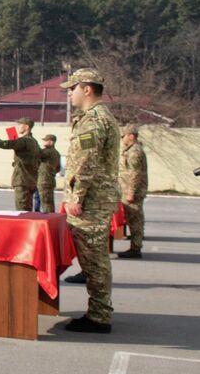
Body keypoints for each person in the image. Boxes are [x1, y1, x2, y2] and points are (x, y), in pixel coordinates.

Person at [59, 68, 120, 331]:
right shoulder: (97, 118)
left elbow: (86, 162)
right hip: (96, 198)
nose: (69, 94)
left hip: (91, 201)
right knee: (96, 260)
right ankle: (100, 310)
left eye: (72, 88)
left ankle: (99, 315)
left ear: (87, 89)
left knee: (94, 260)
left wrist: (77, 196)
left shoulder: (93, 120)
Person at [0, 117, 39, 211]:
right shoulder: (34, 142)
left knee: (22, 210)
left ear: (27, 127)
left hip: (22, 180)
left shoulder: (24, 141)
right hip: (30, 180)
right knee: (28, 210)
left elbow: (5, 144)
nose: (18, 126)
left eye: (20, 124)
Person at [117, 124, 148, 259]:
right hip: (127, 189)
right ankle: (135, 245)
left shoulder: (135, 152)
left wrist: (131, 192)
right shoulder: (130, 150)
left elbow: (135, 174)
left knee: (135, 219)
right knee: (133, 219)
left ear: (131, 136)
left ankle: (135, 248)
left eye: (124, 136)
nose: (122, 139)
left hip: (132, 192)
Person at [36, 134, 60, 213]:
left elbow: (38, 154)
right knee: (49, 202)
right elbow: (58, 168)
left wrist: (34, 145)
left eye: (46, 140)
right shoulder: (56, 153)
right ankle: (51, 218)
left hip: (44, 180)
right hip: (50, 179)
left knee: (46, 204)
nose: (44, 142)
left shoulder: (48, 151)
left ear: (51, 142)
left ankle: (48, 219)